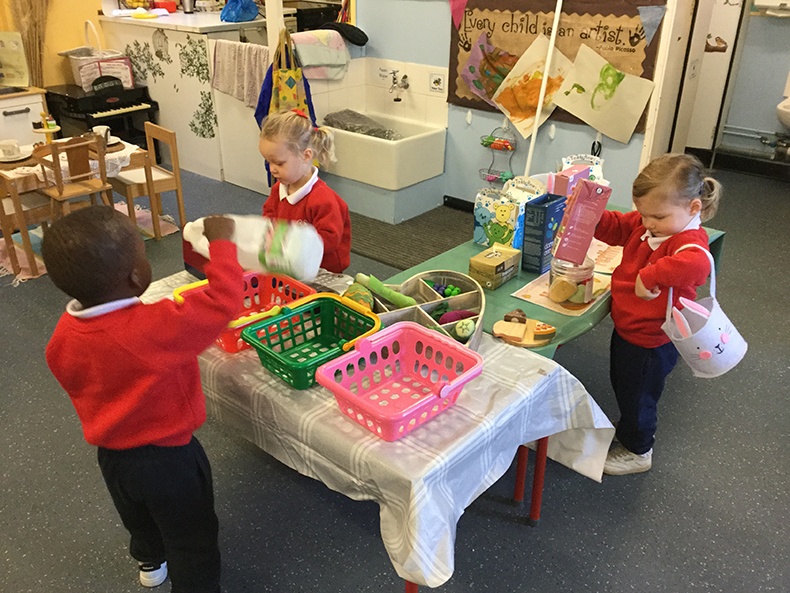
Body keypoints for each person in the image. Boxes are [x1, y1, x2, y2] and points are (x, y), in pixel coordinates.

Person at [42, 206, 244, 592]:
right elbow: (224, 301)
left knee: (138, 517)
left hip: (114, 457)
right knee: (192, 536)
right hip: (169, 458)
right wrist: (222, 244)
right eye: (144, 254)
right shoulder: (153, 327)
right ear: (136, 277)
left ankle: (150, 561)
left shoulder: (63, 335)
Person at [594, 153, 722, 476]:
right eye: (643, 214)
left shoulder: (687, 240)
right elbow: (618, 226)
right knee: (626, 387)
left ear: (693, 208)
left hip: (652, 340)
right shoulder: (650, 224)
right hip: (630, 330)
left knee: (640, 395)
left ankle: (638, 450)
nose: (647, 223)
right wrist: (591, 216)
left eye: (657, 217)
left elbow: (698, 263)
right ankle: (630, 426)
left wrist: (650, 276)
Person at [259, 108, 351, 273]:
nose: (272, 169)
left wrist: (293, 242)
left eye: (279, 163)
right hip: (290, 262)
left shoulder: (323, 200)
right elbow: (269, 216)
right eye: (268, 162)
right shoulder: (278, 189)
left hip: (322, 270)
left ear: (306, 156)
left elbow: (330, 239)